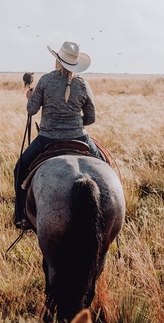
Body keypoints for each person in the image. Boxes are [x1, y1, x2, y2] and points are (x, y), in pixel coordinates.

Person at [13, 41, 104, 229]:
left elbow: (31, 110)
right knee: (104, 166)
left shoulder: (46, 80)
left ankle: (20, 215)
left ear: (57, 60)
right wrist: (75, 123)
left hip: (48, 138)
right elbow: (91, 117)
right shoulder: (83, 84)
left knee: (20, 168)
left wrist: (30, 98)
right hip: (79, 136)